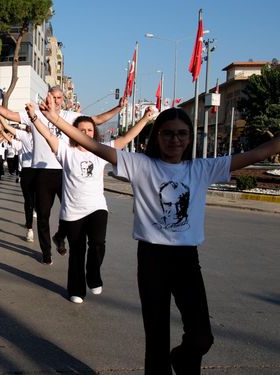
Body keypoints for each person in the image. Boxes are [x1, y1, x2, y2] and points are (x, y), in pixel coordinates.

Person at [33, 99, 280, 375]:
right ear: (157, 136)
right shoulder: (140, 165)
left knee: (201, 337)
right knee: (156, 340)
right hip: (152, 260)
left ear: (189, 138)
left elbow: (260, 152)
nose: (175, 139)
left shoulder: (202, 169)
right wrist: (55, 121)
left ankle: (184, 358)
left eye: (181, 134)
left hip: (187, 261)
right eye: (168, 133)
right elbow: (94, 146)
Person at [0, 88, 125, 265]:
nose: (57, 100)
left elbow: (96, 120)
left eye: (60, 98)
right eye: (53, 97)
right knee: (43, 214)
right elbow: (9, 114)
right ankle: (46, 253)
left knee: (69, 211)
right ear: (47, 97)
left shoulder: (71, 116)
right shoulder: (34, 112)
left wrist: (118, 109)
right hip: (41, 172)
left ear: (63, 100)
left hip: (65, 169)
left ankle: (60, 235)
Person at [30, 105, 155, 304]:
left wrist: (145, 119)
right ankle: (76, 290)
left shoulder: (100, 151)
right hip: (73, 212)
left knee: (98, 244)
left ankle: (93, 274)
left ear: (94, 133)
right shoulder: (66, 151)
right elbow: (49, 136)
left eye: (89, 130)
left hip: (97, 207)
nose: (86, 133)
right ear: (74, 132)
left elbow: (126, 139)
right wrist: (34, 118)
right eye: (81, 130)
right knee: (77, 252)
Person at [0, 119, 34, 242]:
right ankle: (29, 229)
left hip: (41, 171)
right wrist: (1, 128)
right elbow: (9, 138)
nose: (30, 127)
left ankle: (35, 212)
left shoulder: (43, 138)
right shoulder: (23, 139)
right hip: (27, 171)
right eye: (28, 125)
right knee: (28, 200)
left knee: (38, 201)